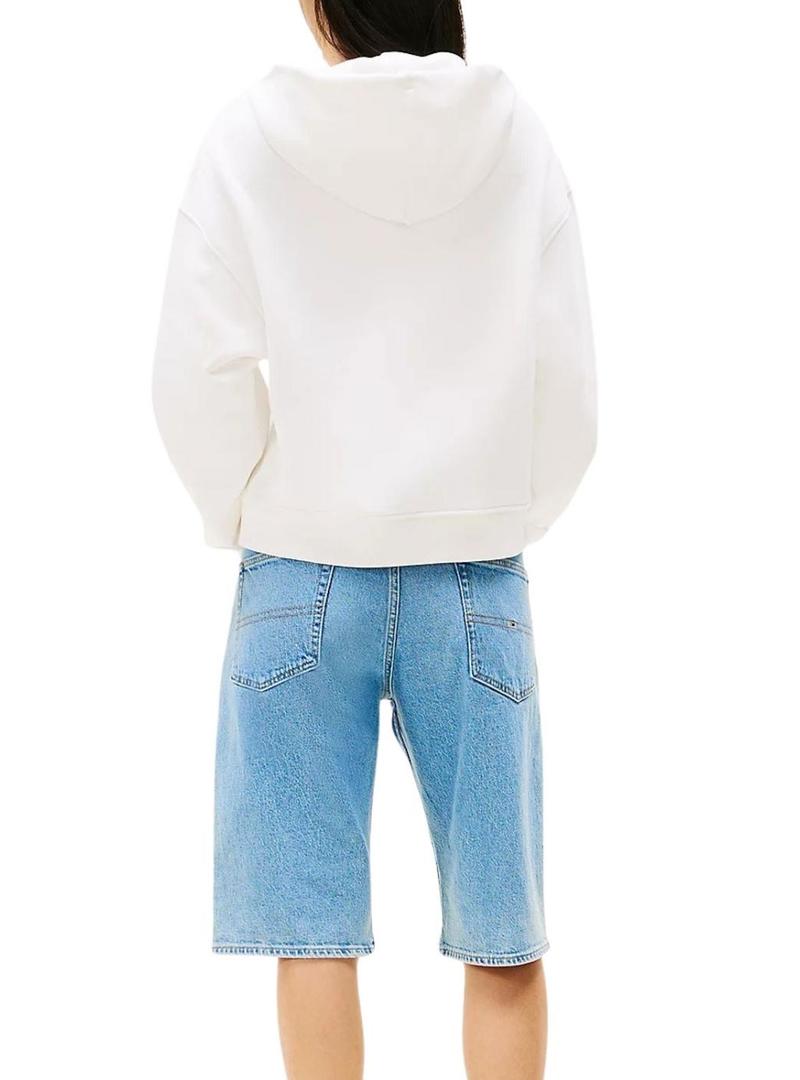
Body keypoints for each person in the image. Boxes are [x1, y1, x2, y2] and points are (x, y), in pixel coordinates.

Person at [152, 1, 596, 1076]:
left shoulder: (249, 135)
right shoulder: (516, 135)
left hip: (297, 573)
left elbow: (193, 372)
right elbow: (568, 382)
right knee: (501, 931)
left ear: (323, 8)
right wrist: (501, 509)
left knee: (313, 934)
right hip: (474, 579)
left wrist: (248, 507)